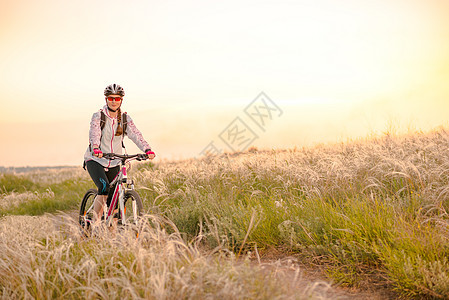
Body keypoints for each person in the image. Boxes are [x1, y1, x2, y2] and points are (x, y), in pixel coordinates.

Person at [84, 83, 155, 222]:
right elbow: (94, 134)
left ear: (121, 100)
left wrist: (147, 149)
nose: (114, 101)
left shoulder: (125, 119)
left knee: (114, 197)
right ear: (106, 99)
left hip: (115, 159)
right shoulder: (98, 116)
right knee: (104, 187)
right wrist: (96, 148)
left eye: (117, 98)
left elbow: (136, 135)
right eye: (111, 98)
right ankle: (92, 221)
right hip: (96, 159)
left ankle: (114, 236)